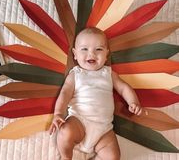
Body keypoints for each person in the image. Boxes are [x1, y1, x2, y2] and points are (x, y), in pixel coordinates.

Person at [49, 27, 142, 160]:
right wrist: (58, 113)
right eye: (84, 49)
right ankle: (66, 156)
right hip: (79, 120)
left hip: (104, 129)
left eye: (98, 49)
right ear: (75, 54)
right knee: (65, 132)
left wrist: (133, 102)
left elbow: (123, 88)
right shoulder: (76, 74)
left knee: (113, 156)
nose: (91, 54)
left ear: (106, 54)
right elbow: (65, 94)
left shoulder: (109, 73)